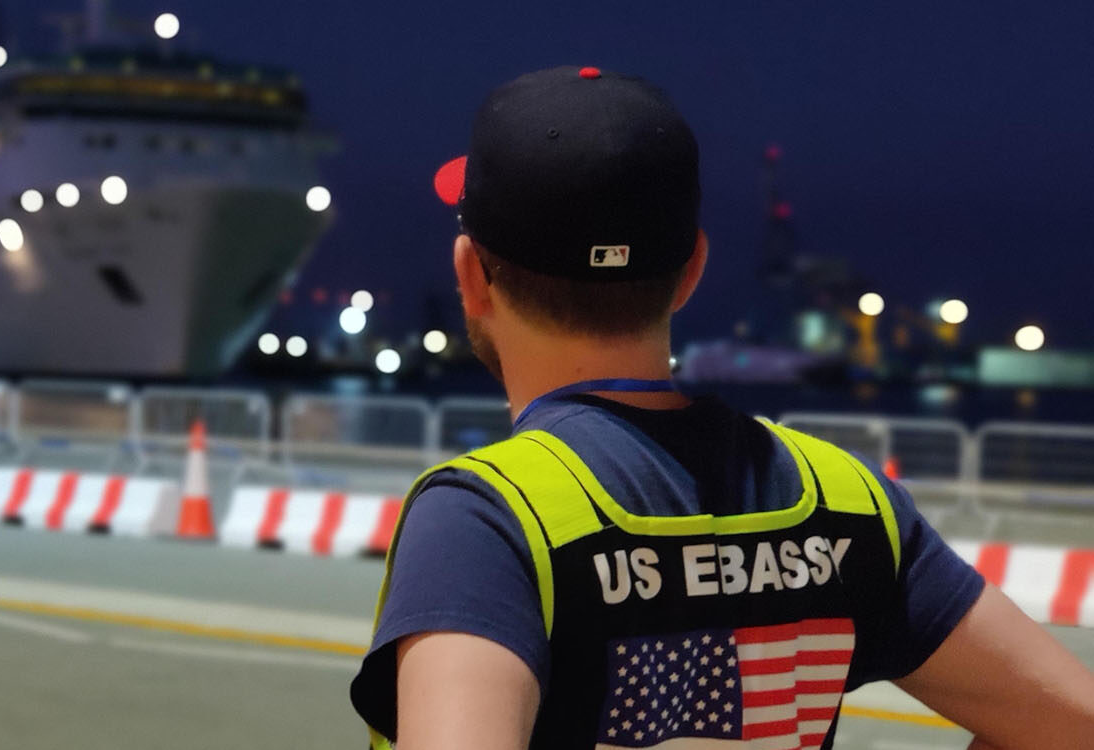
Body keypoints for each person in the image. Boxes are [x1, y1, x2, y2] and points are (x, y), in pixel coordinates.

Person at [349, 66, 1094, 750]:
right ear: (692, 270)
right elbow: (1071, 723)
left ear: (472, 276)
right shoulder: (844, 500)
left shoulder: (488, 520)